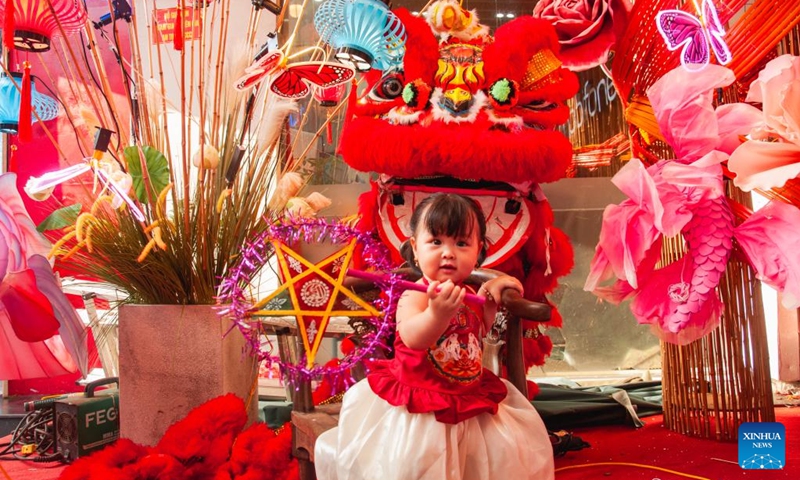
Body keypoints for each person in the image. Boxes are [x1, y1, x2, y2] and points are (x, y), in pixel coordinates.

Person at [314, 193, 554, 480]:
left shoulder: (466, 294)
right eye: (436, 242)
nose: (448, 252)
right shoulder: (415, 295)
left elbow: (478, 327)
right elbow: (414, 338)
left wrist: (497, 288)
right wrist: (436, 315)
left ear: (478, 251)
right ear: (415, 248)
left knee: (485, 463)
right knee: (417, 467)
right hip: (420, 410)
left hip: (466, 403)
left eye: (461, 243)